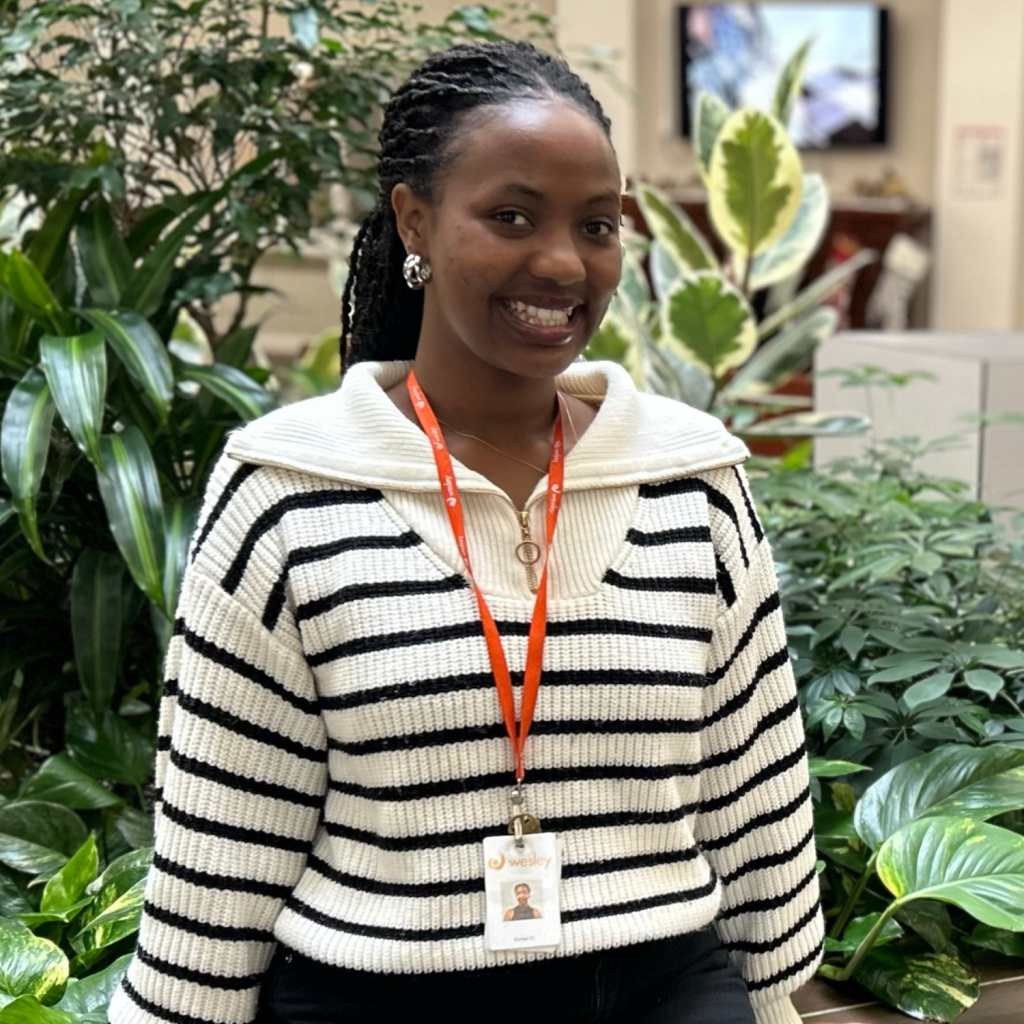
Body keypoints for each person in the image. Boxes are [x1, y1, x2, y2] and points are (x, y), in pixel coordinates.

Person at [109, 39, 824, 1024]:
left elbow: (755, 796)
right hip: (381, 995)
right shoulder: (286, 488)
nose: (565, 262)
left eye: (598, 224)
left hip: (660, 985)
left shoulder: (690, 478)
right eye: (511, 216)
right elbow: (222, 833)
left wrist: (778, 1000)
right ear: (416, 220)